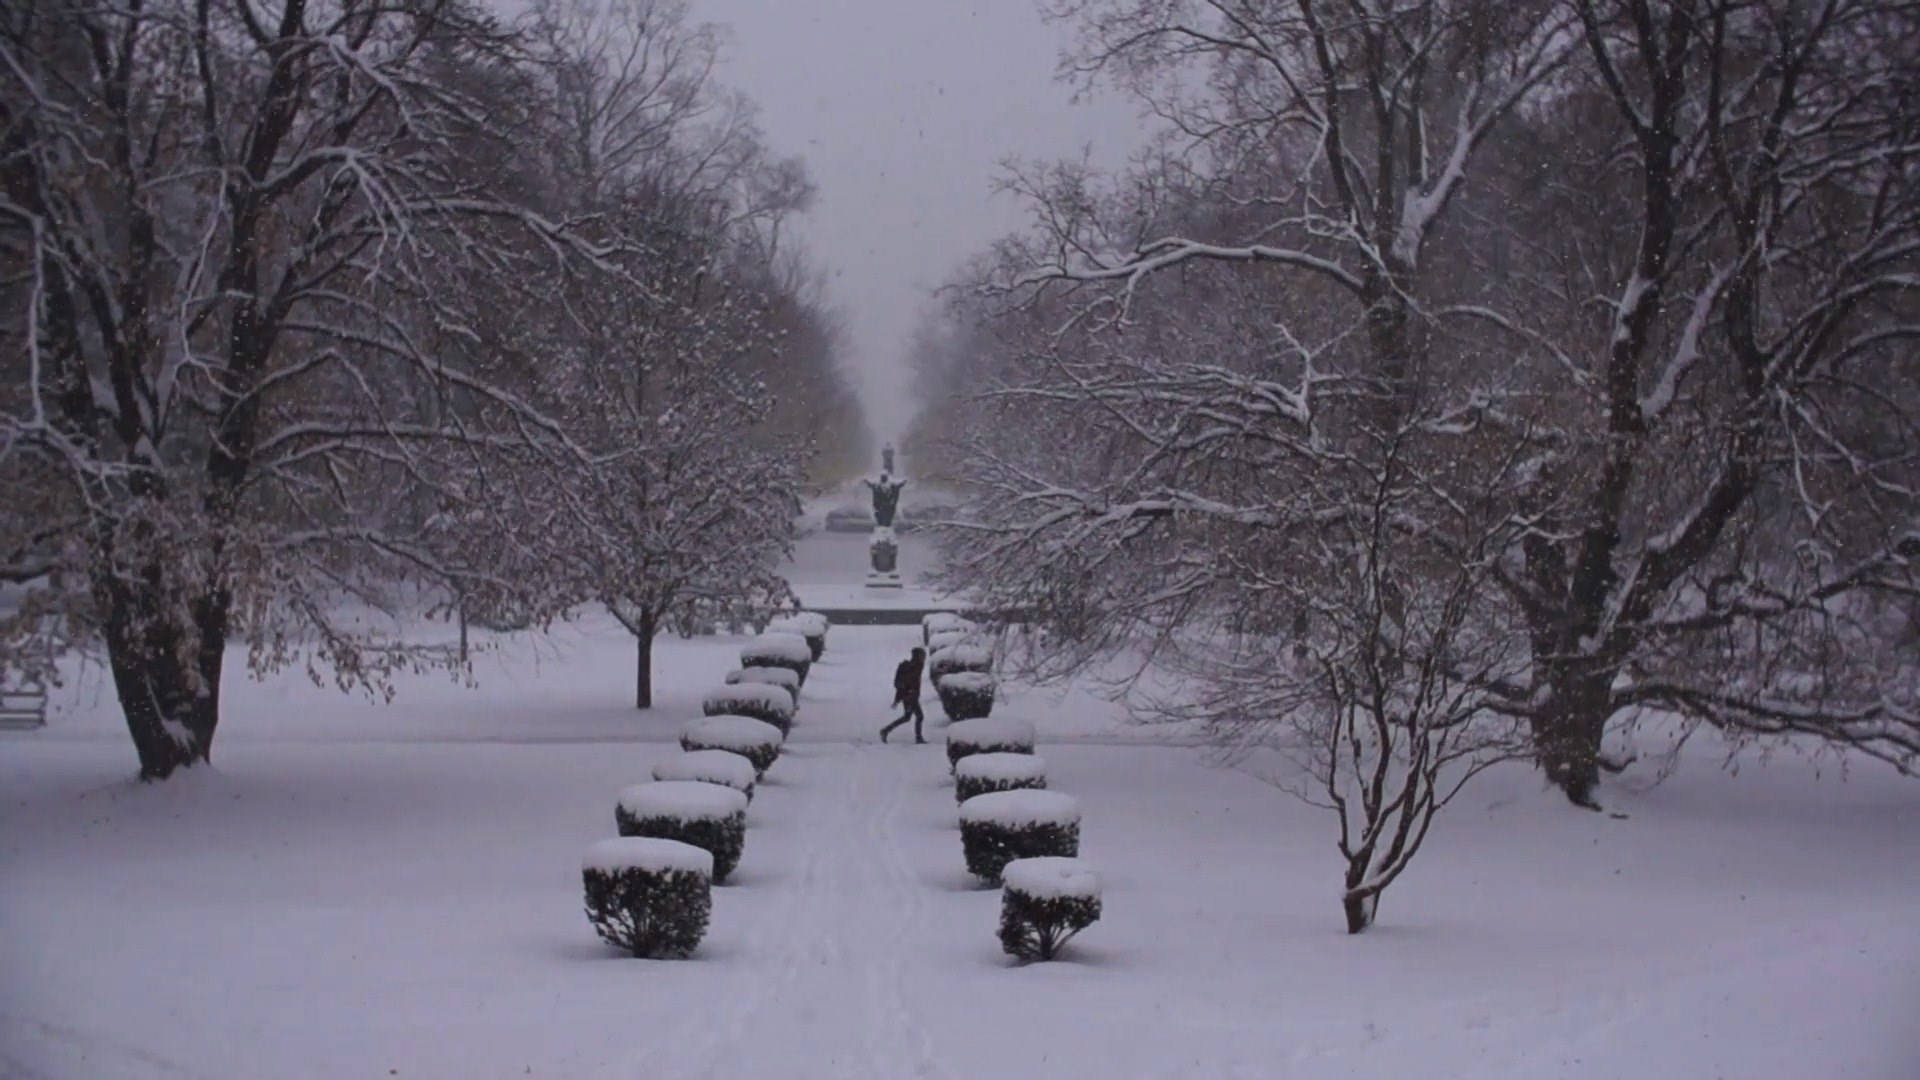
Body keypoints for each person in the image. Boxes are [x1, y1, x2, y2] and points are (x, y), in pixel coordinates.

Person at [880, 646, 927, 743]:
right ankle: (918, 738)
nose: (924, 658)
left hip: (910, 695)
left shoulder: (916, 666)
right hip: (910, 696)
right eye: (922, 655)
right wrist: (900, 697)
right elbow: (905, 683)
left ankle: (885, 730)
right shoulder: (913, 667)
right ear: (918, 656)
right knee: (919, 716)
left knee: (907, 717)